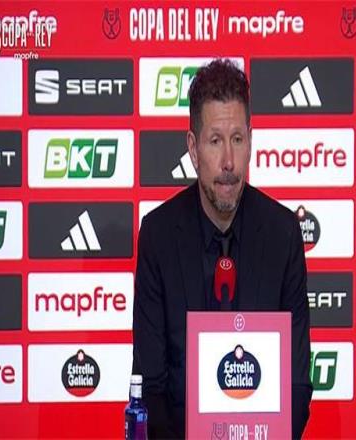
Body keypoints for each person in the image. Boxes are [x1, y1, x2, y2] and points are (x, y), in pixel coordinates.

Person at [132, 58, 312, 439]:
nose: (229, 162)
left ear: (250, 141)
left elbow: (297, 386)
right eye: (215, 141)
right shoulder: (158, 236)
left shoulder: (283, 235)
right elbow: (151, 386)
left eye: (238, 140)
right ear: (193, 148)